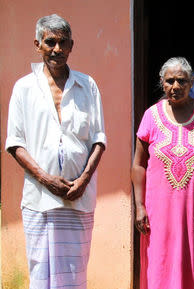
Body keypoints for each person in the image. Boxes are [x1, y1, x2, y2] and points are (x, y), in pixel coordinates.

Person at [5, 14, 106, 289]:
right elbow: (15, 143)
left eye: (63, 43)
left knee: (74, 274)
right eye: (50, 42)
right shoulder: (24, 88)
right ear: (37, 44)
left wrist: (84, 180)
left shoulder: (88, 86)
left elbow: (98, 140)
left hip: (78, 199)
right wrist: (45, 179)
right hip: (39, 199)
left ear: (72, 45)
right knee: (40, 272)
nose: (57, 49)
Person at [131, 56, 194, 289]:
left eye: (181, 81)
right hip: (157, 213)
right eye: (170, 81)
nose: (175, 87)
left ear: (192, 83)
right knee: (158, 263)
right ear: (162, 83)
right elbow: (138, 164)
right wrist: (139, 206)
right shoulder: (151, 116)